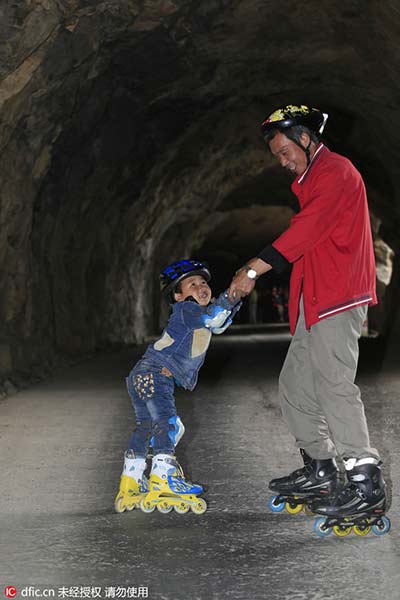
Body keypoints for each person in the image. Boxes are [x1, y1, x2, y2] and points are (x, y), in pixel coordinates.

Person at [229, 104, 387, 531]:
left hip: (337, 296)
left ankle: (365, 481)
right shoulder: (312, 179)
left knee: (334, 385)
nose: (282, 162)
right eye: (277, 156)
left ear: (305, 137)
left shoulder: (335, 172)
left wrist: (250, 270)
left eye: (284, 151)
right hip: (313, 300)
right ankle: (321, 468)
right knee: (295, 386)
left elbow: (305, 232)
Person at [115, 259, 241, 515]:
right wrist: (231, 295)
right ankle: (163, 477)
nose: (201, 287)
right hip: (155, 374)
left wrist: (234, 302)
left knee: (146, 427)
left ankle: (131, 479)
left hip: (141, 374)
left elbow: (220, 323)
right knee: (169, 425)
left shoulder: (192, 315)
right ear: (179, 295)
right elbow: (216, 318)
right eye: (192, 284)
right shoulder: (188, 310)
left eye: (203, 282)